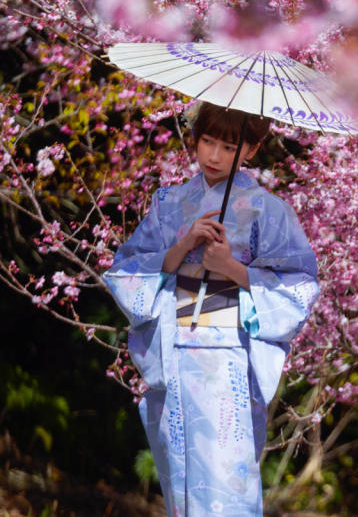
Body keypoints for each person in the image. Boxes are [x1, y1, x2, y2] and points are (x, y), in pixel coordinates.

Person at [104, 102, 320, 516]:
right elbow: (126, 270)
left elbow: (300, 285)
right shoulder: (169, 203)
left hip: (226, 362)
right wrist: (182, 247)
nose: (214, 155)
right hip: (172, 356)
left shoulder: (268, 211)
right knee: (179, 485)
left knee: (226, 485)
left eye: (228, 145)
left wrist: (231, 268)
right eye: (207, 141)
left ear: (251, 151)